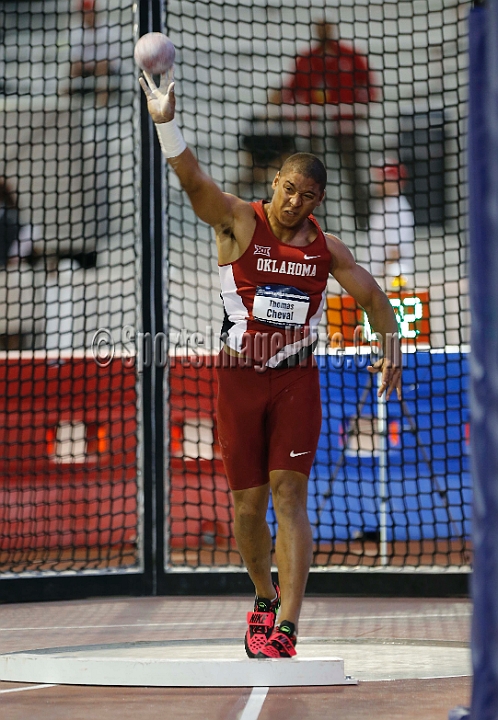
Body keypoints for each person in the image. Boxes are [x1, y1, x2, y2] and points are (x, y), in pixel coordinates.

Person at [139, 71, 402, 658]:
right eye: (288, 189)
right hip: (237, 381)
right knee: (247, 506)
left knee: (289, 495)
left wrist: (392, 348)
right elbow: (192, 180)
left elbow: (375, 300)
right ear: (274, 182)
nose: (293, 201)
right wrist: (166, 125)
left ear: (318, 200)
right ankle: (263, 595)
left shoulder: (326, 249)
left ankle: (287, 623)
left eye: (306, 196)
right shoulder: (238, 220)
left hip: (295, 381)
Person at [249, 18, 379, 230]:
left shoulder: (349, 56)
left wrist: (360, 109)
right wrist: (288, 109)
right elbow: (290, 90)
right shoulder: (307, 60)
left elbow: (369, 86)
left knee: (355, 175)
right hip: (313, 130)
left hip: (345, 127)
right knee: (312, 177)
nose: (324, 31)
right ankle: (316, 223)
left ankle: (365, 224)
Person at [368, 161, 416, 289]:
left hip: (391, 280)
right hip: (378, 277)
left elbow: (395, 251)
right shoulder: (384, 204)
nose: (379, 182)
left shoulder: (397, 207)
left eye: (383, 178)